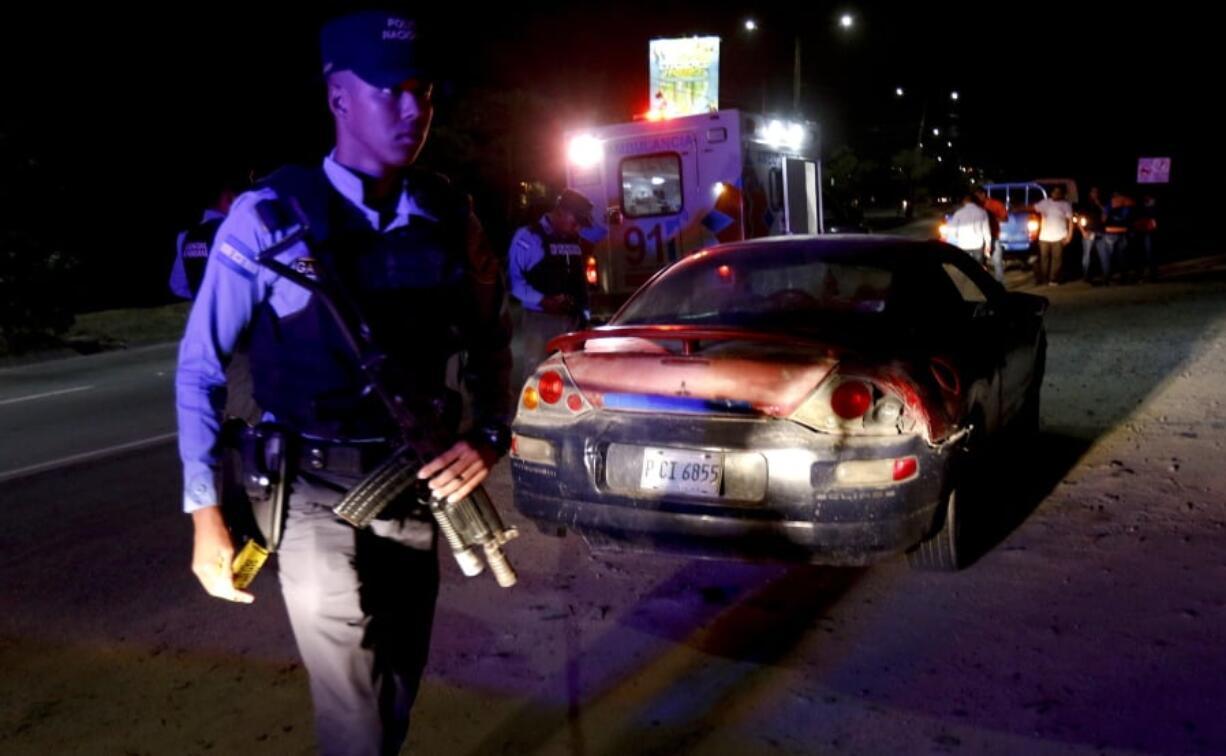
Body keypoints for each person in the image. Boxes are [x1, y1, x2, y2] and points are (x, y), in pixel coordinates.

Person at [175, 10, 512, 755]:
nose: (412, 109)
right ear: (337, 97)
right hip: (311, 497)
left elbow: (493, 337)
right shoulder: (267, 218)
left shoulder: (448, 215)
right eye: (390, 90)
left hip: (416, 487)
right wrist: (206, 515)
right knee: (354, 714)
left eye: (421, 91)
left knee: (397, 684)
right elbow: (200, 366)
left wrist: (489, 435)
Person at [508, 188, 593, 381]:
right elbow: (515, 283)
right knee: (539, 378)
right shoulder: (529, 238)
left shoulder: (573, 238)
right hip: (541, 322)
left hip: (573, 321)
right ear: (561, 212)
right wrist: (543, 300)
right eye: (576, 221)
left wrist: (585, 315)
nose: (578, 227)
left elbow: (579, 281)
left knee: (574, 379)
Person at [169, 178, 241, 300]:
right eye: (235, 197)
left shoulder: (185, 236)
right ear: (226, 199)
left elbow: (177, 286)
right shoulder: (236, 232)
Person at [1033, 186, 1074, 286]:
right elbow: (1033, 207)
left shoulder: (1065, 205)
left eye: (1059, 192)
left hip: (1059, 236)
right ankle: (1043, 279)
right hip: (1045, 236)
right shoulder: (1045, 202)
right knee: (1043, 259)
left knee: (1057, 259)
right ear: (1051, 193)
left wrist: (1069, 236)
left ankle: (1053, 279)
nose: (1056, 194)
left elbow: (1071, 221)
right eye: (1055, 192)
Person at [945, 194, 992, 263]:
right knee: (977, 267)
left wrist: (956, 236)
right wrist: (988, 244)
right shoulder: (982, 212)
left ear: (965, 202)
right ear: (975, 201)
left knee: (965, 268)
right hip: (977, 244)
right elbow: (986, 230)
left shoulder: (959, 213)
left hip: (963, 244)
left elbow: (952, 229)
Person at [974, 186, 1007, 281]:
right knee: (980, 263)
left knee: (997, 262)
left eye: (977, 196)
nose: (975, 199)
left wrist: (991, 219)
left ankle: (999, 285)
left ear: (983, 194)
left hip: (993, 237)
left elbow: (1005, 218)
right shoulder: (976, 206)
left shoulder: (996, 204)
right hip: (979, 238)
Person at [1079, 186, 1107, 283]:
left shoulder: (1101, 204)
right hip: (1089, 231)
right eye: (1093, 192)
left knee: (1103, 254)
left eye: (1097, 192)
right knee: (1087, 255)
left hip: (1100, 231)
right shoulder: (1085, 204)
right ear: (1090, 193)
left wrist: (1099, 204)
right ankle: (1086, 276)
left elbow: (1104, 218)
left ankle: (1106, 276)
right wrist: (1083, 232)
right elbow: (1079, 219)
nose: (1095, 194)